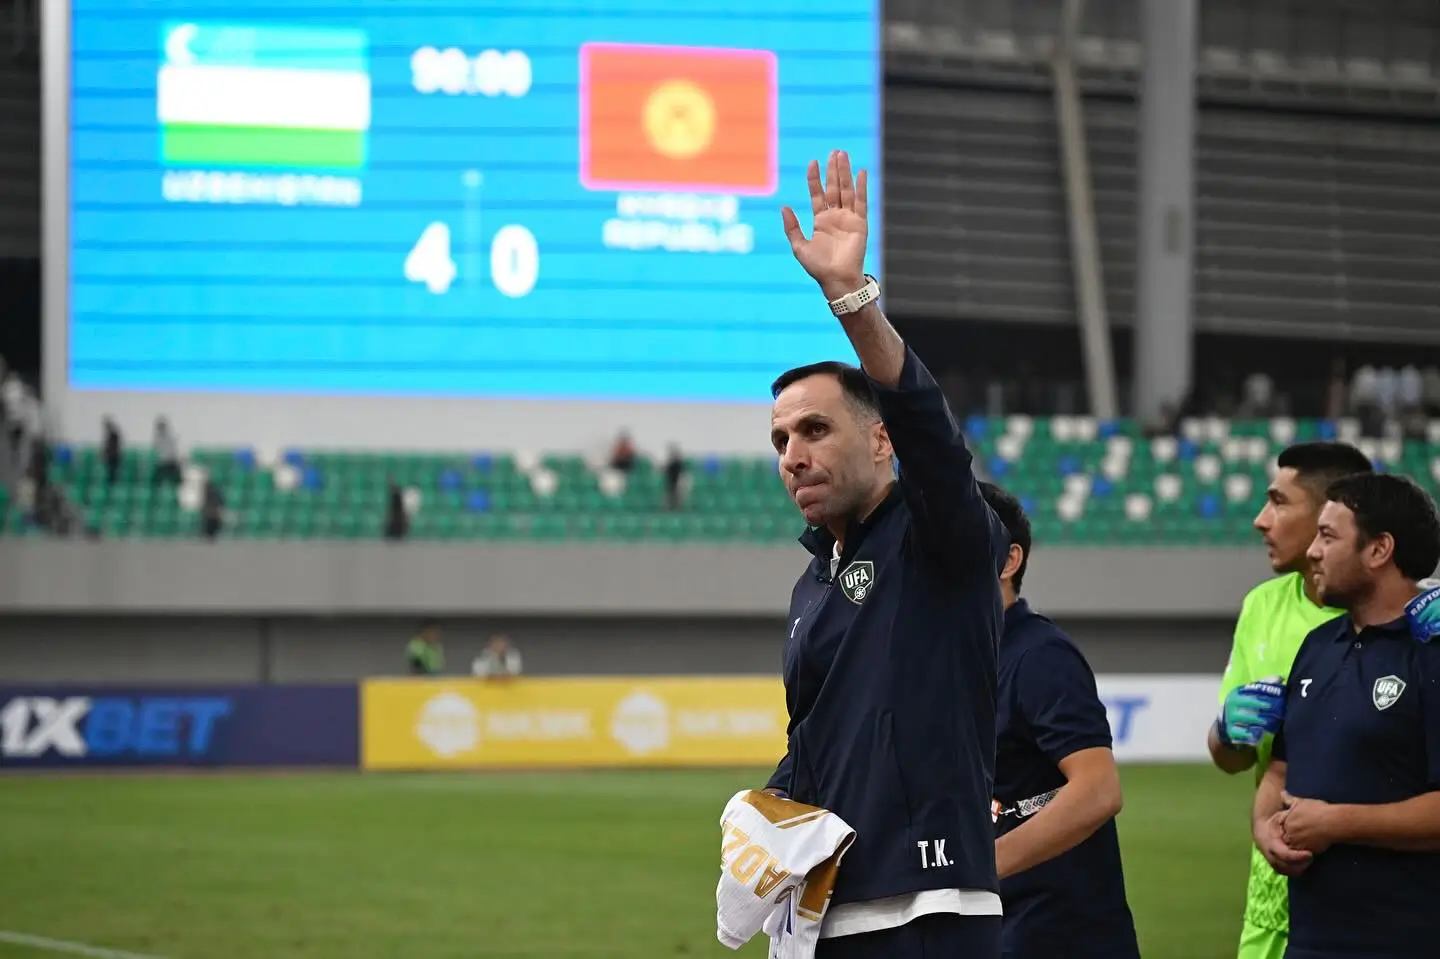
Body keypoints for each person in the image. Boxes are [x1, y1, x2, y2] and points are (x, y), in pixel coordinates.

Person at [763, 150, 1007, 958]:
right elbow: (820, 740)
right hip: (828, 915)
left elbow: (933, 435)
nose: (792, 452)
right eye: (781, 439)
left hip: (929, 909)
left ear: (880, 438)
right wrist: (766, 818)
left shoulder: (941, 535)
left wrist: (851, 301)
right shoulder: (812, 584)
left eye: (815, 428)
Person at [1252, 473, 1440, 959]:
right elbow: (1280, 766)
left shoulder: (1431, 653)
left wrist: (1336, 823)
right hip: (1310, 941)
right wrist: (1264, 825)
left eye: (1328, 536)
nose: (1312, 551)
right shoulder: (1316, 647)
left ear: (1379, 550)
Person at [1206, 442, 1373, 959]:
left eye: (1279, 502)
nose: (1261, 520)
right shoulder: (1262, 606)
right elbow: (1232, 759)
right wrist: (1227, 730)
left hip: (1368, 903)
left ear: (1330, 513)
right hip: (1270, 901)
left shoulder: (1399, 622)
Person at [980, 483, 1138, 959]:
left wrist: (979, 867)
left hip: (1061, 936)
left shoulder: (1040, 657)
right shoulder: (961, 661)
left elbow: (1098, 791)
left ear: (1009, 562)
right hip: (995, 930)